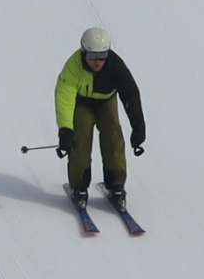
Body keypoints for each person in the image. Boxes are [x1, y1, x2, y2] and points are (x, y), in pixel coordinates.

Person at [55, 27, 145, 206]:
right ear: (83, 52)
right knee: (80, 135)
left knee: (113, 134)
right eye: (91, 56)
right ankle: (79, 187)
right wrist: (65, 130)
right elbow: (64, 97)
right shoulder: (73, 67)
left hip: (106, 101)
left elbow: (130, 94)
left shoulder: (116, 66)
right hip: (81, 102)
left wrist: (138, 126)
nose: (97, 61)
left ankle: (116, 185)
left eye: (102, 56)